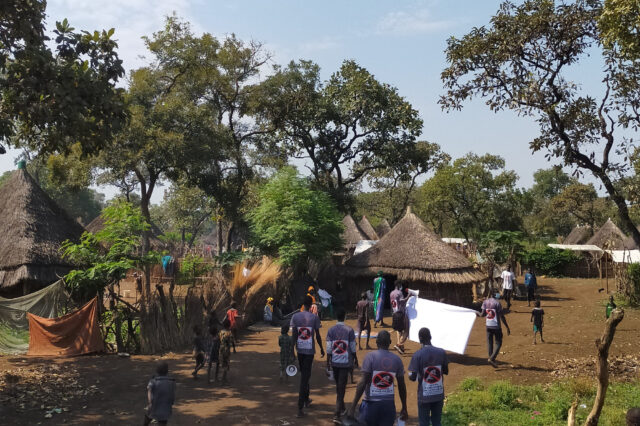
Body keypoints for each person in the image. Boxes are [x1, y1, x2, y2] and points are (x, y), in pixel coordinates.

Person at [346, 330, 408, 426]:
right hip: (388, 406)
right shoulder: (397, 360)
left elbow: (362, 382)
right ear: (390, 343)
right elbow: (402, 385)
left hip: (370, 405)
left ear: (376, 341)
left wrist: (353, 406)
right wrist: (404, 407)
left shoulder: (370, 357)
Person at [290, 295, 325, 418]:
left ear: (303, 304)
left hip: (300, 351)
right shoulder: (314, 318)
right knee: (305, 378)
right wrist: (321, 348)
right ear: (311, 305)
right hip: (309, 352)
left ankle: (306, 399)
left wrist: (291, 351)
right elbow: (318, 336)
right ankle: (300, 407)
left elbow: (294, 335)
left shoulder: (295, 317)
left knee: (306, 375)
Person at [408, 328, 448, 426]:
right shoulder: (441, 352)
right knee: (437, 422)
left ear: (420, 339)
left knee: (424, 423)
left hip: (424, 396)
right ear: (430, 337)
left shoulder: (417, 355)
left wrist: (410, 376)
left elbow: (413, 377)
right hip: (438, 395)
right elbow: (446, 371)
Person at [326, 308, 357, 422]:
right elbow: (353, 348)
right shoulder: (349, 330)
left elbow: (329, 348)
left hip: (334, 362)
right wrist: (355, 359)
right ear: (345, 317)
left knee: (339, 386)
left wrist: (327, 363)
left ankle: (342, 408)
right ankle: (336, 414)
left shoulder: (331, 330)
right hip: (345, 363)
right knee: (341, 388)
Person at [477, 294, 510, 367]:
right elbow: (502, 316)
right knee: (498, 343)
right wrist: (507, 327)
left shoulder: (485, 302)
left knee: (490, 342)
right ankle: (492, 359)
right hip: (496, 326)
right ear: (495, 296)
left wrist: (476, 313)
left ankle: (491, 359)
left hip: (488, 326)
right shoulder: (497, 303)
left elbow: (482, 314)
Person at [144, 361, 175, 425]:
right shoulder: (171, 381)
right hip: (166, 406)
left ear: (157, 371)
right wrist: (171, 402)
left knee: (148, 416)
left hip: (154, 404)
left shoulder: (153, 381)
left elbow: (149, 390)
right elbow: (172, 394)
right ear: (167, 371)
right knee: (163, 421)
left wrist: (150, 402)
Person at [390, 280, 410, 355]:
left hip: (394, 313)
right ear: (398, 285)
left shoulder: (391, 293)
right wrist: (409, 295)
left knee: (399, 330)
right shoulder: (399, 293)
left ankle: (400, 346)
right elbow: (403, 301)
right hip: (401, 314)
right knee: (406, 331)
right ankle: (399, 344)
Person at [219, 318, 235, 385]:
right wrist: (234, 348)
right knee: (226, 364)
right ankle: (223, 379)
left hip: (221, 349)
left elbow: (218, 340)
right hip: (226, 350)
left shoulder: (220, 332)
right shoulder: (229, 333)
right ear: (229, 325)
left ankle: (224, 378)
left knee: (223, 363)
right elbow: (232, 341)